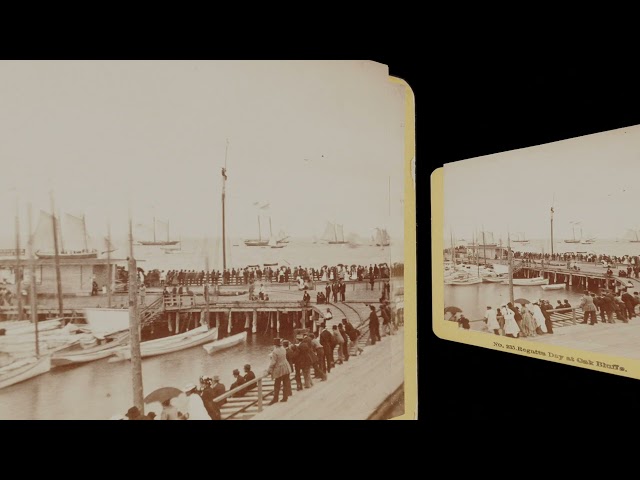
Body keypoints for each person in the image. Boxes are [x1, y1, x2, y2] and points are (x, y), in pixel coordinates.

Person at [267, 338, 292, 405]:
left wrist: (269, 370)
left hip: (279, 369)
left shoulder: (275, 351)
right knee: (285, 383)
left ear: (275, 344)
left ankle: (275, 398)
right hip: (286, 367)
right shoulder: (283, 348)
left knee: (277, 384)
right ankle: (285, 397)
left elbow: (273, 362)